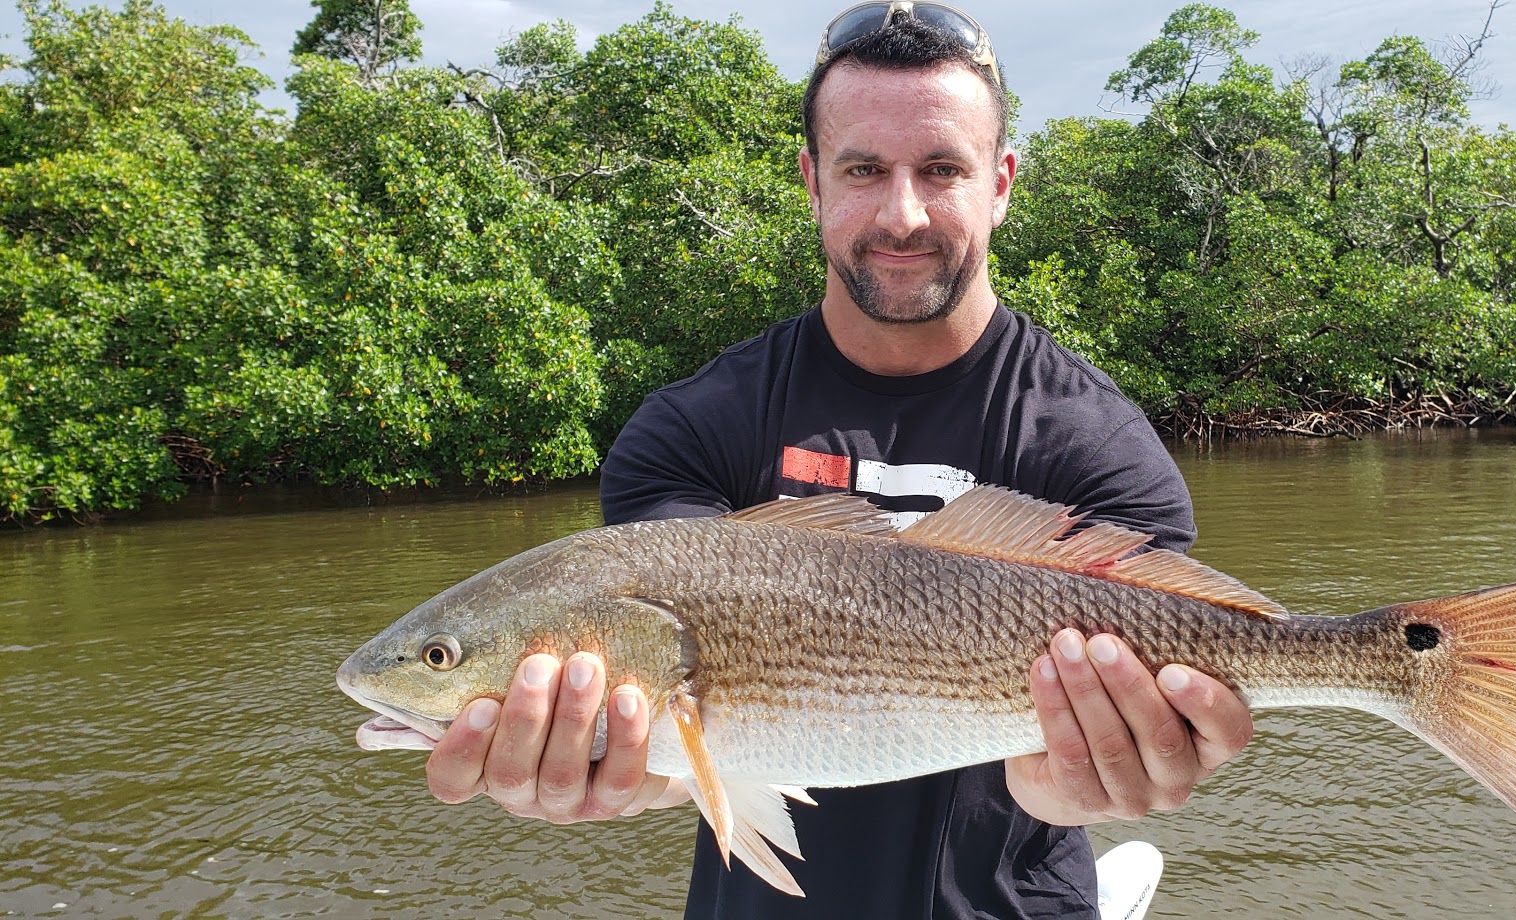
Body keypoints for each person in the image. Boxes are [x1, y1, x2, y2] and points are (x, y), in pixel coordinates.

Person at [422, 3, 1256, 917]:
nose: (902, 215)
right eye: (864, 169)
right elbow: (680, 735)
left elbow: (1044, 784)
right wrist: (595, 770)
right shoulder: (692, 429)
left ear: (1002, 182)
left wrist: (1110, 774)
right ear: (812, 180)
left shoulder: (1095, 441)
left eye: (941, 169)